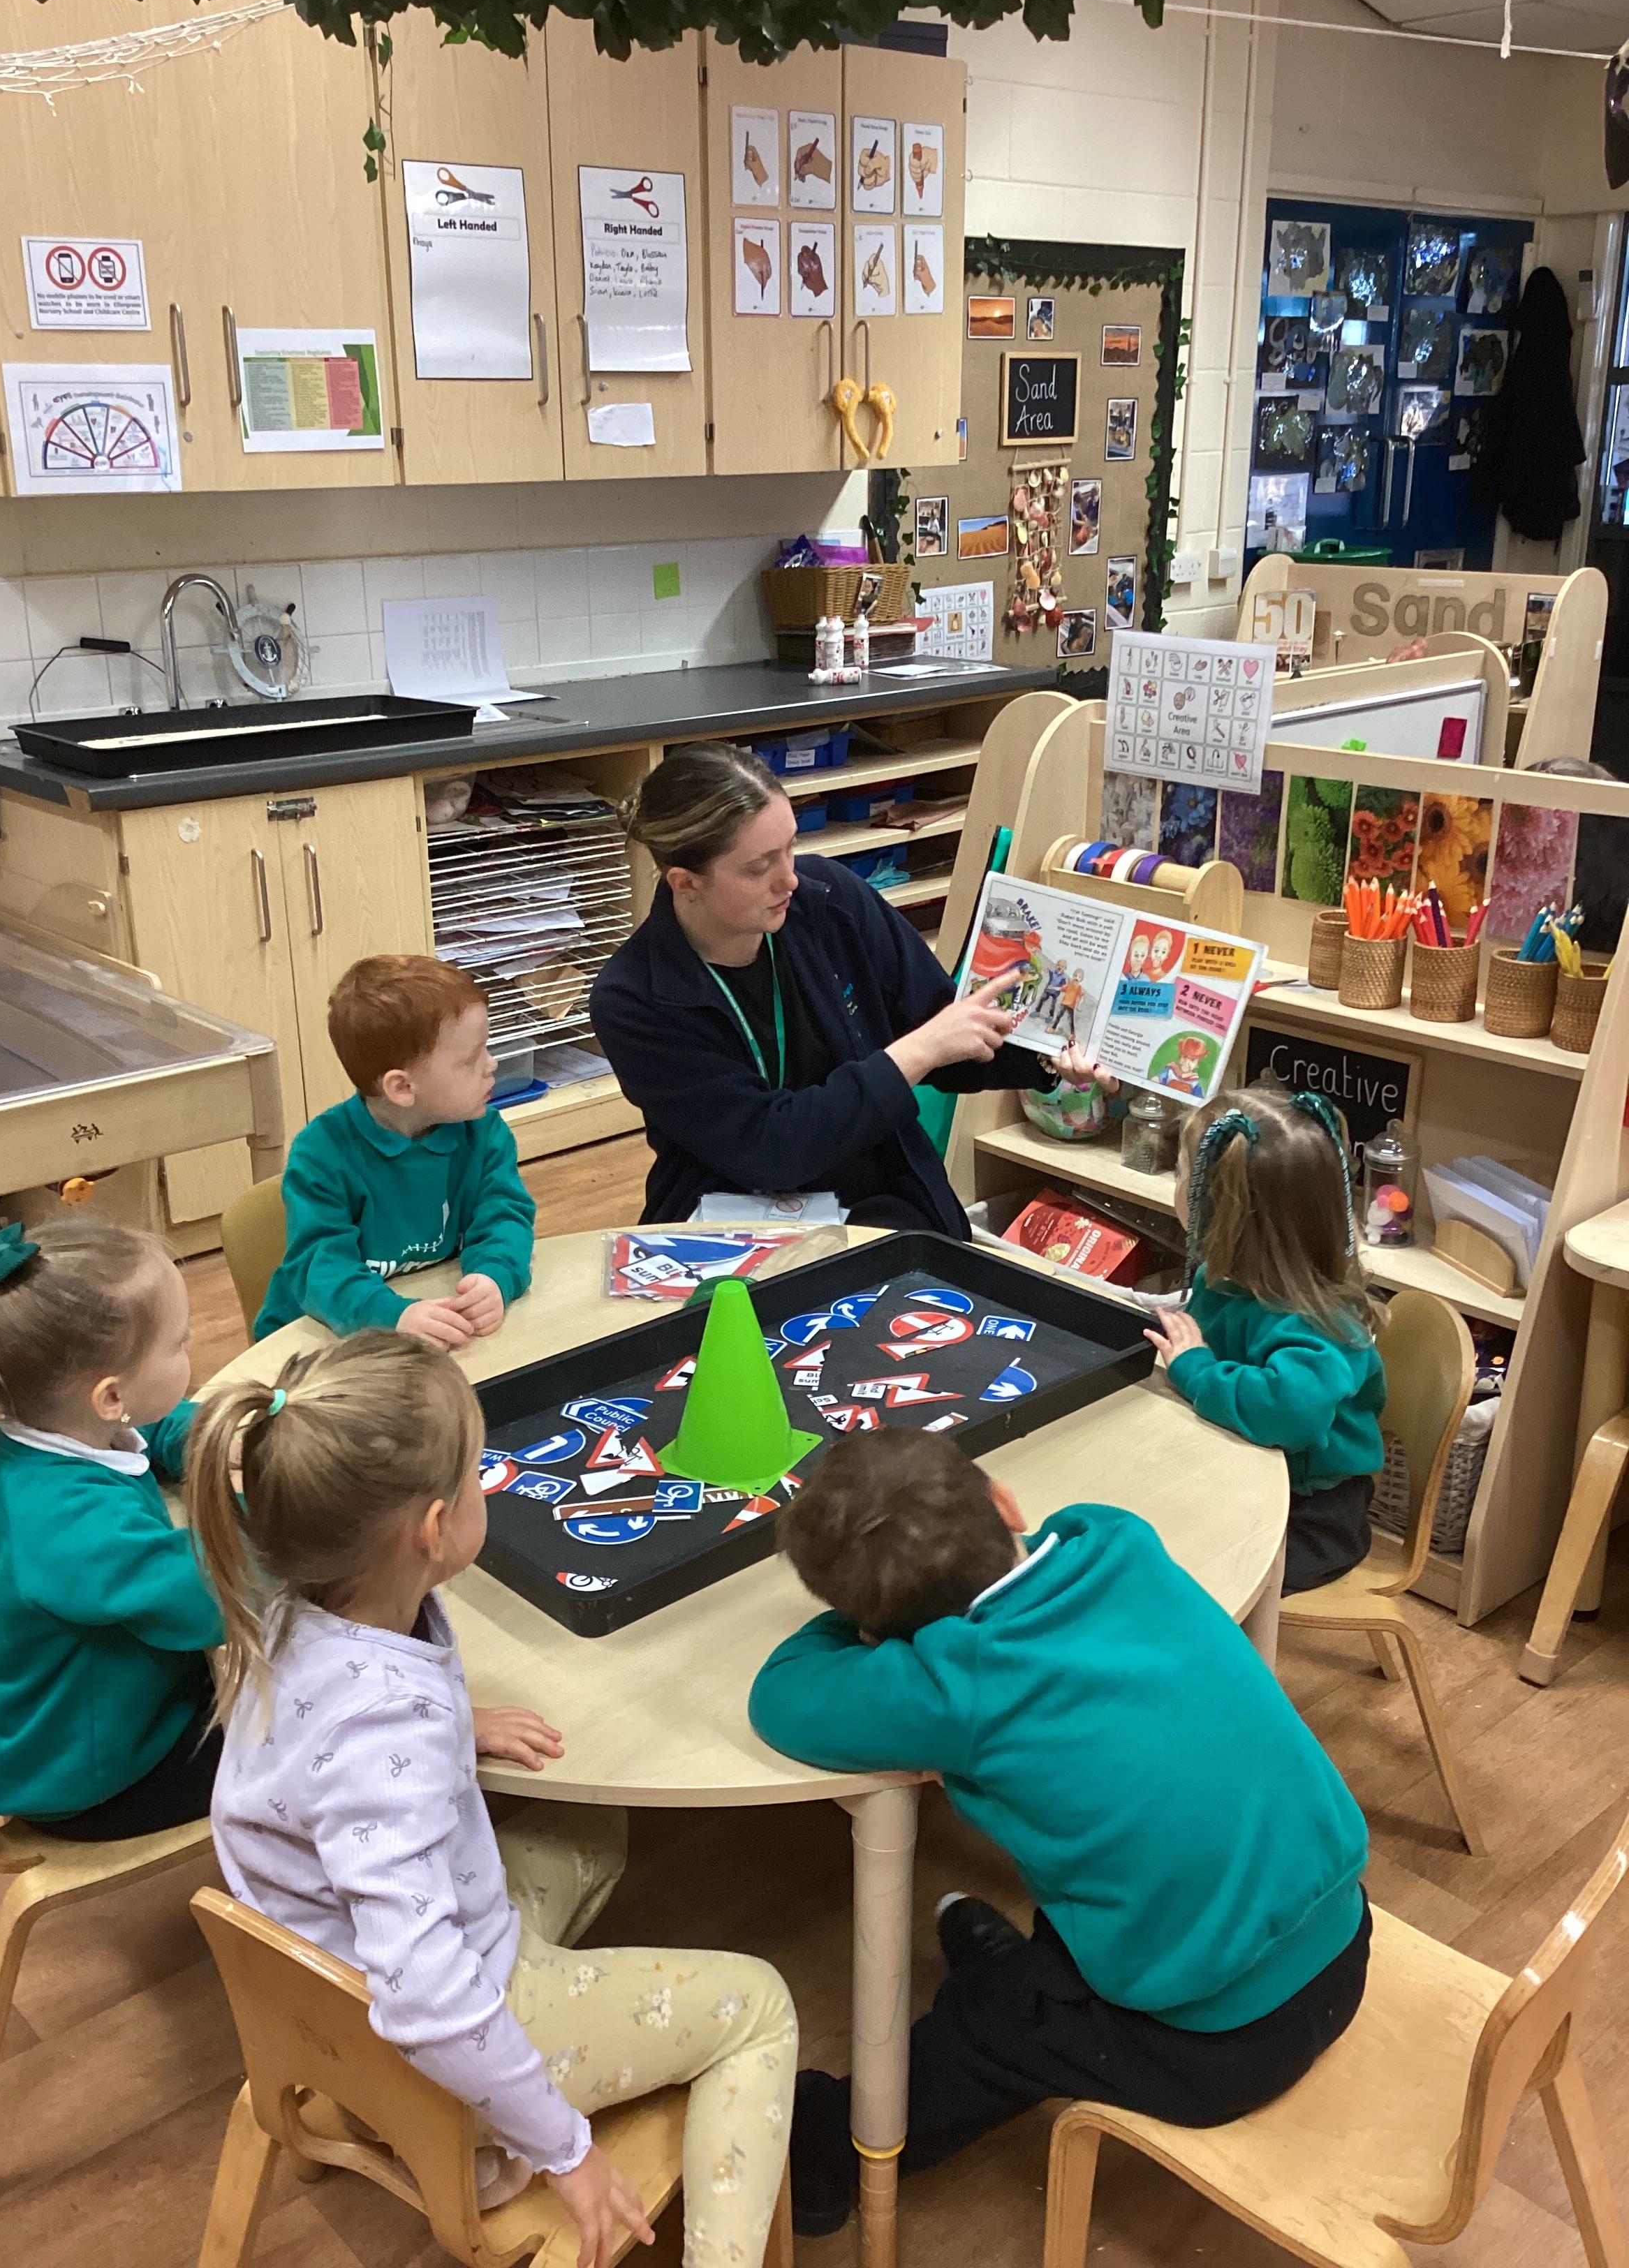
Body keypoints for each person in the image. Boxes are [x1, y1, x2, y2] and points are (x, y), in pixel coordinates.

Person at [196, 1330, 797, 2268]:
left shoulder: (294, 1604)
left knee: (596, 1819)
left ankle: (485, 2139)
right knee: (761, 2006)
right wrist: (565, 2149)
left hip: (339, 1998)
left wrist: (450, 1727)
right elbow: (425, 1990)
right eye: (479, 1476)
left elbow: (329, 1760)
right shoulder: (379, 1734)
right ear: (434, 1530)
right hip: (431, 2034)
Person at [747, 1429, 1370, 2235]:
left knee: (984, 2032)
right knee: (1115, 1882)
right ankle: (1035, 1972)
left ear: (872, 1625)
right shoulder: (1113, 1541)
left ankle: (824, 2159)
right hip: (1343, 1934)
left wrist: (867, 1623)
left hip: (1215, 2044)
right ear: (1007, 1504)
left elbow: (782, 1695)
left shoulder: (953, 1688)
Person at [591, 742, 1096, 1234]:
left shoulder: (831, 902)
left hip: (875, 1194)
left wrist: (1051, 1054)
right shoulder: (632, 999)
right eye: (759, 867)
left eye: (790, 848)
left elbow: (947, 1034)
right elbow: (770, 1148)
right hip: (726, 1214)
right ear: (686, 883)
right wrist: (922, 1049)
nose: (788, 879)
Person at [0, 1220, 223, 1840]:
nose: (189, 1351)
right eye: (179, 1344)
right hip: (85, 1776)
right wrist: (279, 1511)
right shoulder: (68, 1523)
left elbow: (145, 1427)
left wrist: (207, 1436)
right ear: (110, 1396)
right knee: (308, 1735)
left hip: (65, 1728)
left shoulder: (40, 1433)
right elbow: (213, 1600)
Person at [1144, 1083, 1387, 1594]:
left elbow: (1290, 1413)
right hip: (1235, 1475)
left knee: (1172, 1581)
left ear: (1221, 1211)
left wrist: (1197, 1370)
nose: (1176, 1184)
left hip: (1310, 1519)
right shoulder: (1222, 1278)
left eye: (1183, 1174)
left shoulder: (1321, 1322)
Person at [256, 954, 536, 1348]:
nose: (492, 1065)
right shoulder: (321, 1154)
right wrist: (392, 1316)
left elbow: (504, 1216)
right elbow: (320, 1266)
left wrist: (494, 1276)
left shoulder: (484, 1132)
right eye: (471, 1059)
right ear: (402, 1088)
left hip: (433, 1325)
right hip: (322, 1340)